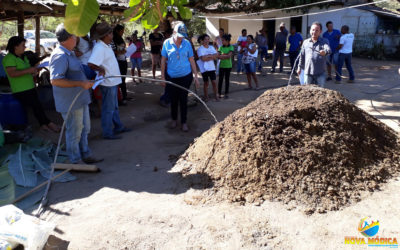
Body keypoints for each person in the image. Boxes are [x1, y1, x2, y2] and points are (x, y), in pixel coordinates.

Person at [49, 24, 102, 164]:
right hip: (71, 102)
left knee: (85, 128)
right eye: (75, 35)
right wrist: (80, 84)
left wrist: (86, 79)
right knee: (74, 131)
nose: (77, 38)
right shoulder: (59, 55)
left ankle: (86, 154)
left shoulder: (70, 52)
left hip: (81, 99)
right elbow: (55, 80)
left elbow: (76, 72)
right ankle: (75, 160)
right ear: (69, 38)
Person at [2, 36, 60, 132]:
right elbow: (12, 74)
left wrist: (35, 71)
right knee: (36, 106)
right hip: (20, 89)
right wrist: (29, 70)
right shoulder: (9, 58)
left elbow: (27, 70)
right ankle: (48, 124)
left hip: (30, 87)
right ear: (15, 46)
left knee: (37, 106)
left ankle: (44, 125)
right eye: (23, 45)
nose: (25, 47)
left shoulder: (23, 56)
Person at [88, 22, 131, 140]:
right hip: (108, 83)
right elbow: (91, 63)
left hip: (113, 82)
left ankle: (118, 126)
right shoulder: (99, 47)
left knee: (114, 107)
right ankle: (107, 132)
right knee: (108, 108)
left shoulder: (106, 45)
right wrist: (100, 69)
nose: (112, 35)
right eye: (111, 33)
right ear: (106, 35)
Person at [161, 22, 200, 132]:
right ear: (174, 33)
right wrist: (162, 77)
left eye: (183, 36)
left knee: (183, 99)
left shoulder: (187, 43)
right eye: (179, 36)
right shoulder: (167, 43)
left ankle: (184, 122)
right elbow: (163, 60)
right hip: (172, 77)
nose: (181, 38)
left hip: (185, 76)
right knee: (173, 100)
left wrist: (196, 76)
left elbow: (191, 60)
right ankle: (174, 119)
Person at [297, 22, 331, 88]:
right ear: (310, 30)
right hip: (308, 72)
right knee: (307, 91)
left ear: (320, 31)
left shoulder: (324, 41)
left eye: (316, 30)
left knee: (320, 92)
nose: (314, 32)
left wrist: (325, 52)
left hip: (320, 73)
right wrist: (299, 67)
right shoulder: (305, 42)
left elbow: (328, 49)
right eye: (312, 30)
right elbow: (302, 56)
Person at [197, 34, 219, 102]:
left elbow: (216, 56)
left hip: (211, 68)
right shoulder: (200, 49)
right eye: (205, 39)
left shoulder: (211, 47)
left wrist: (208, 56)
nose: (207, 41)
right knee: (206, 83)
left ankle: (216, 96)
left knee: (214, 82)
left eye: (208, 39)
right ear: (202, 40)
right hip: (204, 68)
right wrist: (211, 56)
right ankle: (206, 97)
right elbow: (203, 59)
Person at [112, 24, 128, 105]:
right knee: (120, 80)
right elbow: (113, 51)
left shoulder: (120, 38)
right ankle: (120, 97)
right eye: (121, 31)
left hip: (123, 59)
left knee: (123, 79)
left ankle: (124, 96)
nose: (122, 32)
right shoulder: (113, 39)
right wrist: (120, 52)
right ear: (117, 31)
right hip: (118, 61)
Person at [217, 34, 234, 99]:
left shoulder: (231, 47)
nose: (222, 42)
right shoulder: (220, 47)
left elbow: (229, 56)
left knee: (227, 80)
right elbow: (218, 56)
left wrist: (222, 55)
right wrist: (225, 55)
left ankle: (226, 93)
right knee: (220, 80)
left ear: (227, 41)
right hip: (221, 66)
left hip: (228, 66)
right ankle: (219, 93)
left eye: (223, 40)